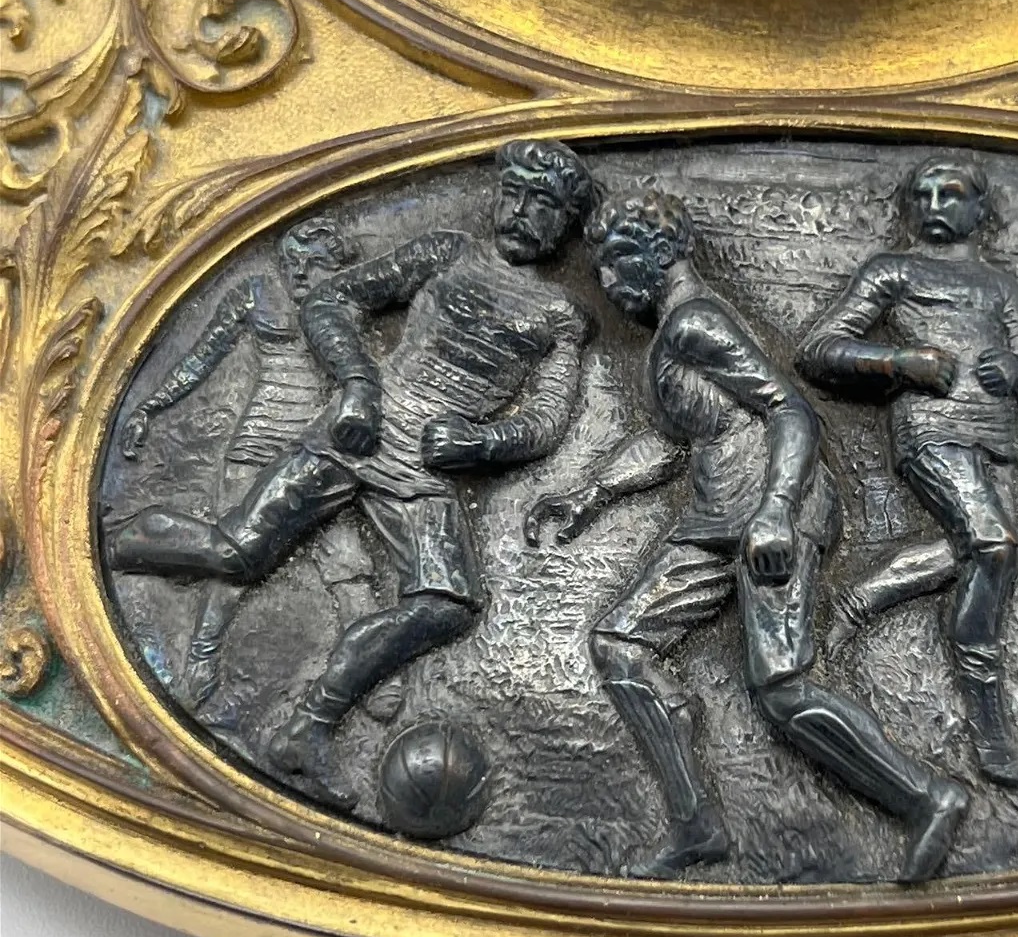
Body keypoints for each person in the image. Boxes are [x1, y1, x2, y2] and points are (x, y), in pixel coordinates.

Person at [107, 140, 595, 804]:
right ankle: (111, 546)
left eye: (543, 205)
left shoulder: (562, 317)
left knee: (447, 604)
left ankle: (306, 728)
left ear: (565, 224)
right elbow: (330, 301)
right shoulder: (446, 253)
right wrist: (358, 384)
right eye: (514, 194)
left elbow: (547, 420)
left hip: (425, 468)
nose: (521, 213)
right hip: (354, 433)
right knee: (238, 552)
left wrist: (483, 442)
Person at [527, 189, 968, 883]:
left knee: (783, 688)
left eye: (614, 261)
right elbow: (671, 442)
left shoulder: (696, 321)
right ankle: (696, 825)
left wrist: (776, 510)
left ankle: (927, 799)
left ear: (656, 253)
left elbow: (790, 411)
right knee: (620, 646)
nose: (605, 282)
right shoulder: (672, 333)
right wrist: (592, 493)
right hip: (715, 518)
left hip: (767, 515)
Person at [796, 156, 1018, 786]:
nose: (935, 206)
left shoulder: (1001, 287)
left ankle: (858, 599)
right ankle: (989, 726)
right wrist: (900, 361)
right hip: (931, 431)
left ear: (980, 210)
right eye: (923, 195)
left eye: (950, 194)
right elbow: (819, 349)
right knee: (993, 544)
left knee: (969, 554)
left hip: (997, 437)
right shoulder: (893, 271)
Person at [120, 220, 378, 727]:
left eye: (312, 263)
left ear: (337, 263)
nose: (298, 274)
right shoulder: (255, 292)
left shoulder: (355, 299)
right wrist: (150, 406)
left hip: (327, 454)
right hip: (258, 446)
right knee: (235, 562)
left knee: (347, 560)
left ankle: (365, 673)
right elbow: (201, 357)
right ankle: (200, 652)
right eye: (292, 263)